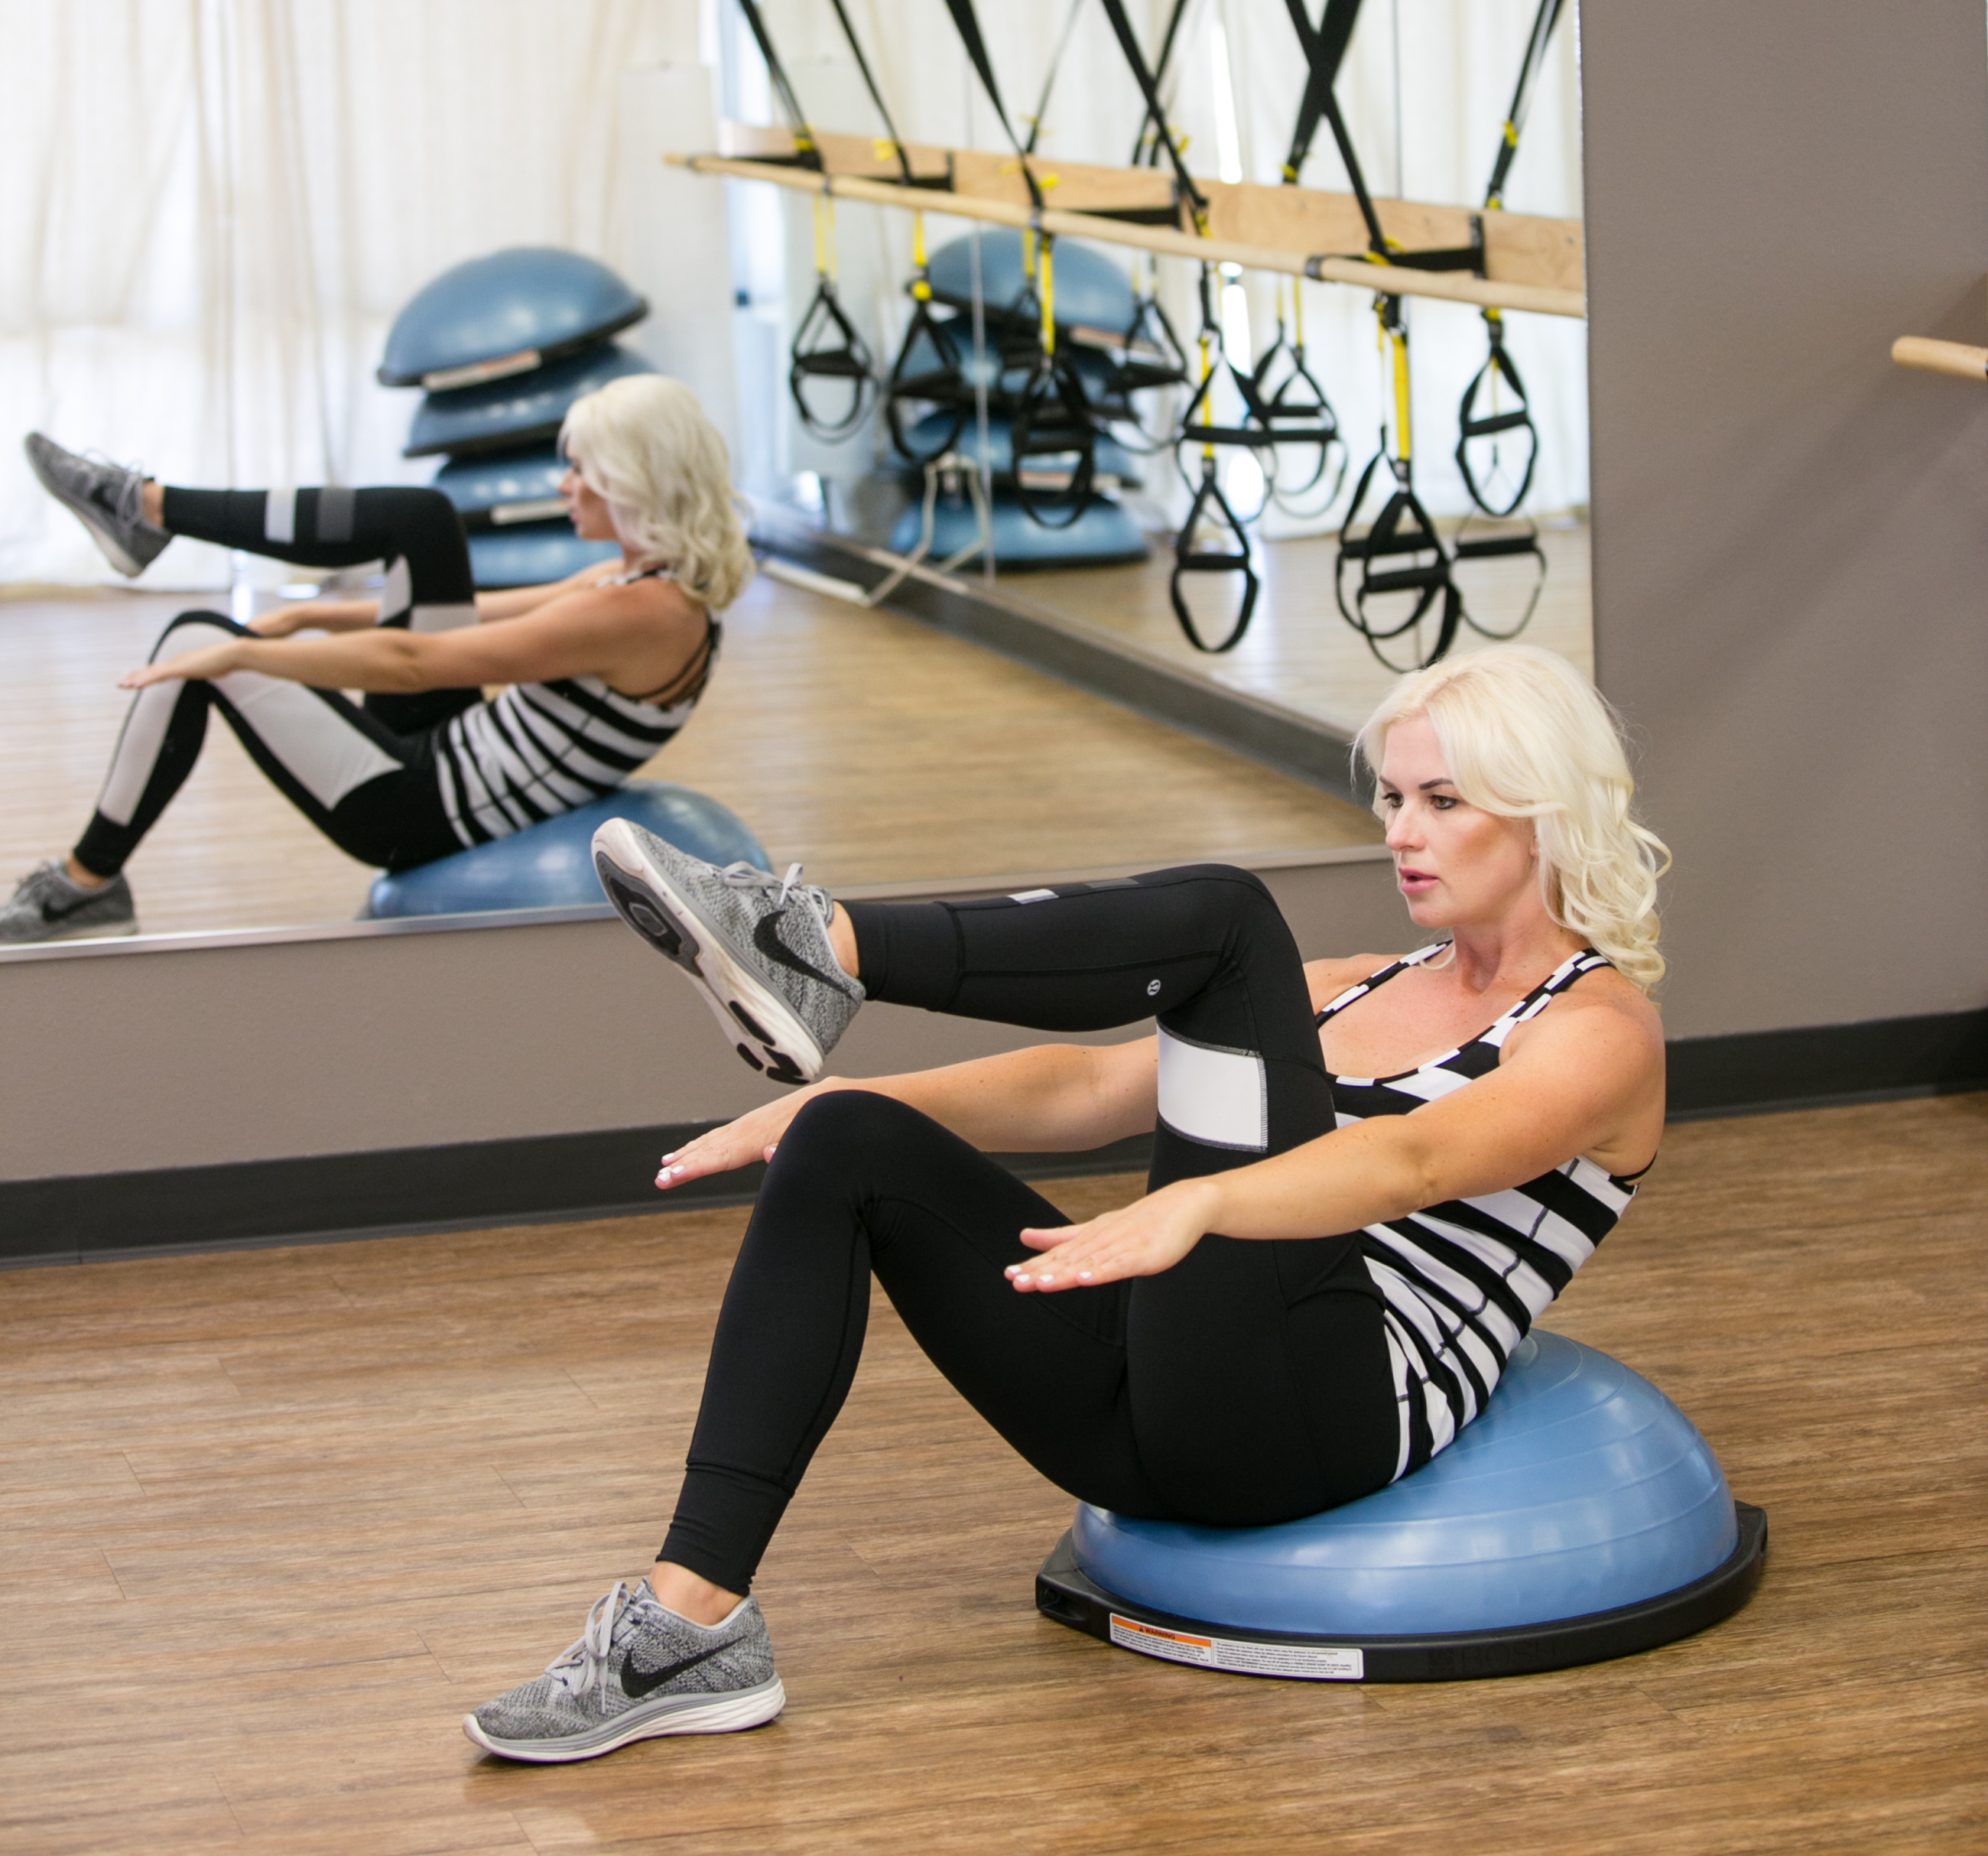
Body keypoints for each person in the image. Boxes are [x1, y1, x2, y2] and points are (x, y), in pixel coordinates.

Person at [463, 642, 1668, 1765]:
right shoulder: (1355, 987)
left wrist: (1202, 1207)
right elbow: (1088, 1089)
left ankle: (818, 942)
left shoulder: (1598, 1033)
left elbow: (1419, 1164)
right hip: (1162, 1415)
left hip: (1322, 1419)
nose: (1402, 832)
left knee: (1229, 922)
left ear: (1544, 811)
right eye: (1394, 799)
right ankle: (687, 1629)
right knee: (845, 1140)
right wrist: (838, 1098)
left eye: (1444, 802)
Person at [5, 377, 751, 940]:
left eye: (582, 469)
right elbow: (484, 611)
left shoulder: (637, 614)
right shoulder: (644, 582)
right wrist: (311, 615)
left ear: (632, 481)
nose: (564, 485)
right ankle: (148, 508)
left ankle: (84, 886)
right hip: (445, 749)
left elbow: (413, 663)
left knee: (194, 641)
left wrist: (243, 656)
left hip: (421, 809)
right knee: (421, 519)